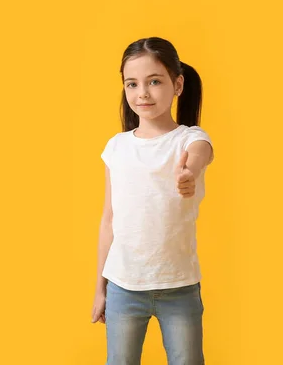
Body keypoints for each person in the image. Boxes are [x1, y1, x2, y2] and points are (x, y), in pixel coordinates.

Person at [91, 37, 215, 365]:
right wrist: (100, 288)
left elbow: (198, 157)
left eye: (154, 81)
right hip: (123, 287)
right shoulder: (116, 147)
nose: (142, 93)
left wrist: (188, 173)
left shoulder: (191, 139)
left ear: (177, 84)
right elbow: (109, 220)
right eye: (132, 84)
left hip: (180, 287)